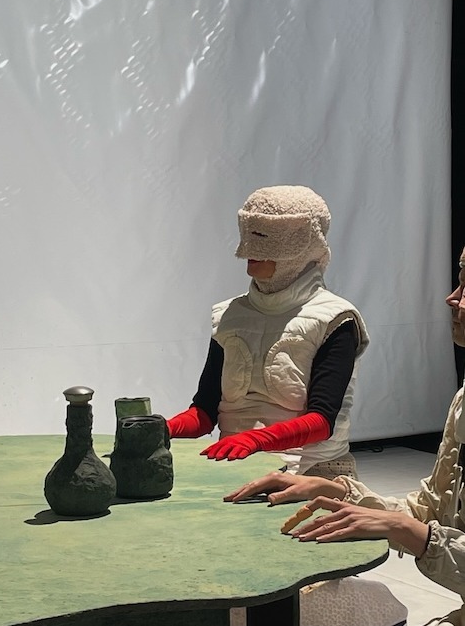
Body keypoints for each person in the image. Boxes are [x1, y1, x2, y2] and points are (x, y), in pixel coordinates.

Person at [224, 245, 465, 626]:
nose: (452, 298)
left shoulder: (335, 319)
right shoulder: (463, 401)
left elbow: (322, 418)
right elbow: (429, 511)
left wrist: (409, 531)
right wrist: (337, 492)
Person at [167, 185, 369, 478]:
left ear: (303, 241)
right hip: (236, 466)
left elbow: (323, 421)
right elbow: (205, 411)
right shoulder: (229, 316)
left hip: (313, 471)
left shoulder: (334, 319)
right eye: (249, 232)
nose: (250, 249)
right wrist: (164, 428)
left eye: (266, 236)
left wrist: (256, 440)